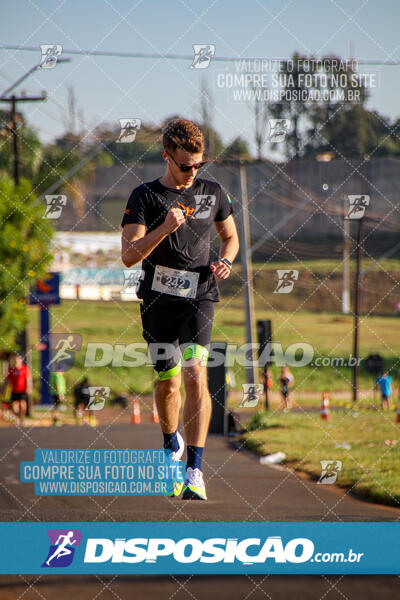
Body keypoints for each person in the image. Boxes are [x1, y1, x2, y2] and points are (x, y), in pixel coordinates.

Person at [121, 119, 239, 500]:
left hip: (200, 295)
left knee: (195, 373)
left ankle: (195, 469)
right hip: (158, 300)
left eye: (198, 165)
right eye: (185, 165)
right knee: (168, 381)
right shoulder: (144, 196)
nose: (192, 173)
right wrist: (163, 229)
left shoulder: (213, 192)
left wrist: (227, 260)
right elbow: (128, 256)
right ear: (166, 157)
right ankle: (171, 443)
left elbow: (231, 236)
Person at [3, 354, 32, 426]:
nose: (16, 362)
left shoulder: (24, 368)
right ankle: (16, 419)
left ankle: (22, 418)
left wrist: (29, 387)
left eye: (17, 360)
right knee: (15, 406)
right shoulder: (11, 370)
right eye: (15, 360)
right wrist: (4, 389)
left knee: (23, 405)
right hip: (14, 391)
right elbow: (7, 381)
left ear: (20, 361)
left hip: (22, 390)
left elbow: (28, 378)